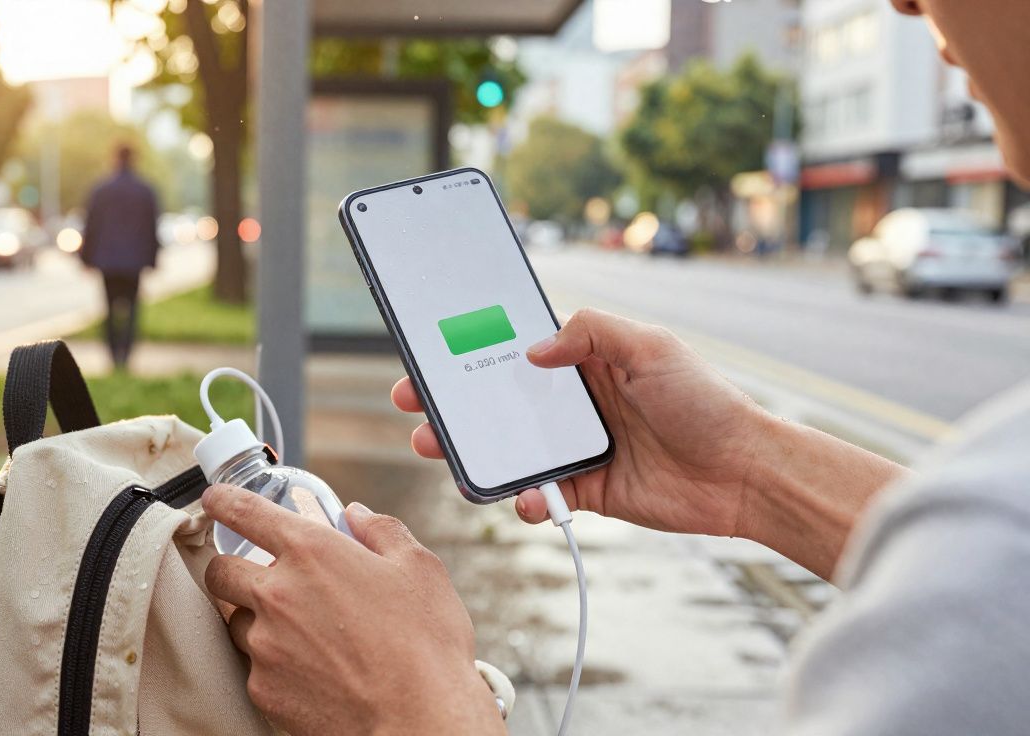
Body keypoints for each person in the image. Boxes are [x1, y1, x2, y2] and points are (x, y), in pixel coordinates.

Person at [201, 1, 1030, 734]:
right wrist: (745, 467)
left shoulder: (986, 546)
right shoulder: (986, 538)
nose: (906, 2)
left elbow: (992, 577)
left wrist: (406, 702)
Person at [80, 143, 162, 370]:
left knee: (108, 307)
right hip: (134, 262)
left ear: (115, 158)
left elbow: (91, 226)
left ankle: (113, 354)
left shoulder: (101, 190)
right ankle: (126, 354)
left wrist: (85, 259)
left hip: (107, 262)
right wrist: (153, 259)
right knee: (132, 309)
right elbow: (152, 228)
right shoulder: (145, 190)